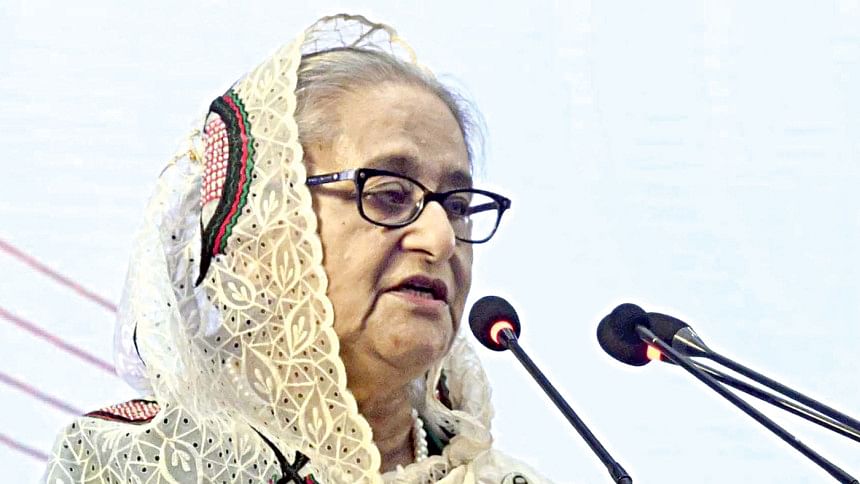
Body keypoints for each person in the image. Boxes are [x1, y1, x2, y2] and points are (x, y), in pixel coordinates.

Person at [44, 14, 549, 483]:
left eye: (457, 206)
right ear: (265, 232)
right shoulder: (136, 465)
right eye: (390, 194)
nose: (440, 240)